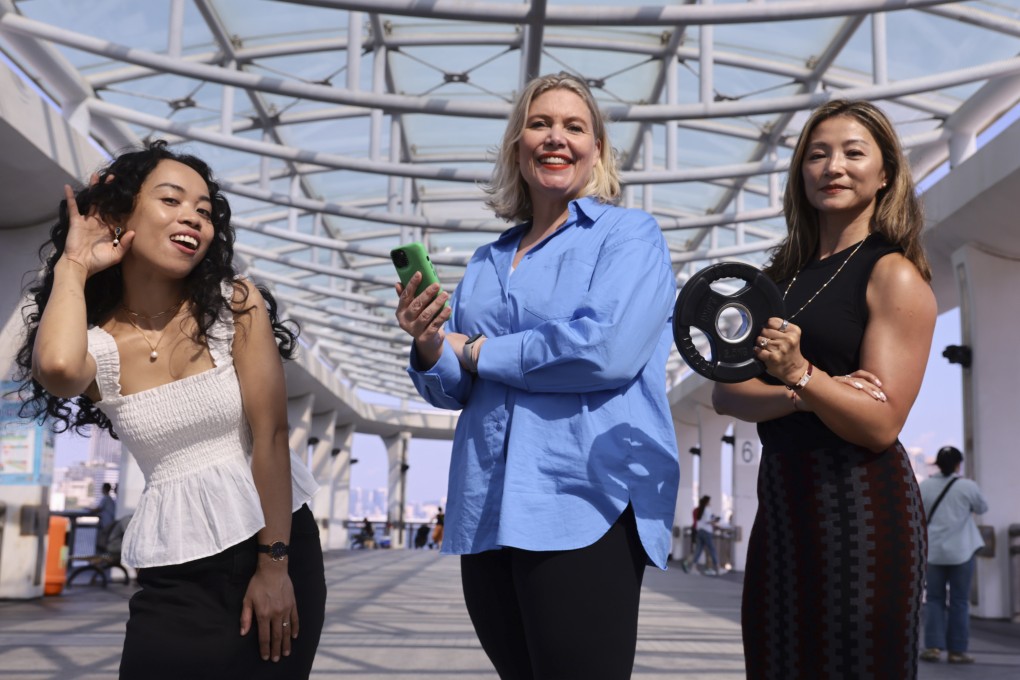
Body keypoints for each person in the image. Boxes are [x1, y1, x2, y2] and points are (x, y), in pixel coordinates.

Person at [395, 72, 679, 680]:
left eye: (574, 126)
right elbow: (455, 388)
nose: (556, 137)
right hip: (487, 507)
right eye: (539, 123)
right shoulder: (487, 260)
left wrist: (477, 350)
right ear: (516, 146)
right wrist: (429, 343)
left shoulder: (630, 236)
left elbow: (604, 351)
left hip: (582, 500)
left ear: (597, 149)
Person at [14, 141, 325, 679]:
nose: (193, 218)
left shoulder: (235, 306)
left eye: (204, 210)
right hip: (177, 566)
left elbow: (272, 436)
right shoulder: (99, 347)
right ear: (121, 216)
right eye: (171, 200)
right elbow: (58, 369)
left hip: (276, 545)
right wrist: (75, 263)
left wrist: (275, 567)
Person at [712, 100, 936, 679]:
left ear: (884, 173)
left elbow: (880, 423)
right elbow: (726, 395)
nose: (833, 166)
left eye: (853, 153)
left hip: (860, 506)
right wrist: (806, 390)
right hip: (783, 504)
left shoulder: (893, 273)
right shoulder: (778, 279)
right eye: (818, 154)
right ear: (800, 173)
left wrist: (800, 374)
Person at [919, 446, 989, 664]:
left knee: (934, 599)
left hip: (933, 552)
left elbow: (918, 513)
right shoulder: (967, 486)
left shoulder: (925, 486)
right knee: (959, 601)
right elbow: (982, 508)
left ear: (937, 464)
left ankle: (932, 647)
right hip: (962, 551)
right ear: (959, 464)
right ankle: (957, 651)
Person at [680, 495, 721, 576]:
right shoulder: (706, 510)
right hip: (704, 531)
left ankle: (690, 564)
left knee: (698, 550)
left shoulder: (696, 510)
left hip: (696, 530)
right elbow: (707, 521)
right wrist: (714, 522)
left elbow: (698, 520)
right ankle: (711, 568)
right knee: (709, 550)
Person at [90, 482, 117, 548]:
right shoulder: (110, 498)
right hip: (110, 521)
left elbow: (98, 509)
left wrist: (88, 509)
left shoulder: (105, 498)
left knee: (104, 537)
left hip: (107, 522)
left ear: (104, 489)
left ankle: (103, 549)